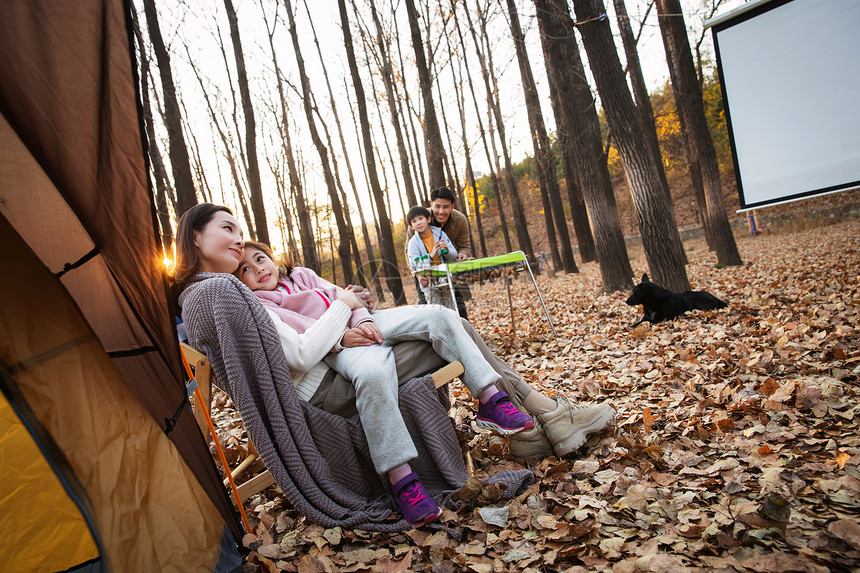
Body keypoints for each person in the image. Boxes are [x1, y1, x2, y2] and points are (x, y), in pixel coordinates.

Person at [175, 204, 615, 523]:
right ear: (195, 236)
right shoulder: (225, 292)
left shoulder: (226, 288)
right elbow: (303, 350)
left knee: (449, 324)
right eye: (227, 229)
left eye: (247, 240)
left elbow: (331, 310)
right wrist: (342, 319)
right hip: (331, 379)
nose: (238, 241)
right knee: (453, 331)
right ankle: (545, 415)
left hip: (346, 347)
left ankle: (534, 414)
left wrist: (356, 314)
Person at [405, 187, 472, 318]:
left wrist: (461, 253)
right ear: (431, 205)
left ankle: (463, 333)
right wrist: (418, 275)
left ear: (452, 206)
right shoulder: (418, 219)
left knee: (456, 304)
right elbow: (409, 252)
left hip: (447, 271)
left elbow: (464, 245)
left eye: (446, 207)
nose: (441, 211)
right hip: (425, 274)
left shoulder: (460, 219)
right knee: (428, 307)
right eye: (437, 206)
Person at [405, 205, 457, 306]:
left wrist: (446, 250)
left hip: (445, 277)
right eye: (414, 221)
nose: (418, 223)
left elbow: (454, 255)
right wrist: (431, 256)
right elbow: (414, 265)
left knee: (451, 310)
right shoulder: (413, 243)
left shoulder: (440, 234)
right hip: (429, 282)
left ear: (428, 219)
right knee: (436, 311)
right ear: (411, 226)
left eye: (421, 218)